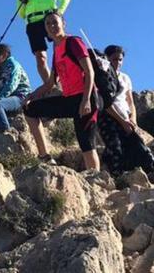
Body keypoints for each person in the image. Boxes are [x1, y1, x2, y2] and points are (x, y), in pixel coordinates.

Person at [22, 12, 100, 171]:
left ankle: (95, 179)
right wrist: (31, 96)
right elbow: (51, 83)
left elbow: (89, 71)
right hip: (69, 98)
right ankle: (45, 156)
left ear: (63, 23)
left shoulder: (73, 42)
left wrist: (86, 100)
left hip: (86, 96)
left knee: (86, 143)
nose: (51, 26)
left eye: (54, 22)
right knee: (30, 110)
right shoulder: (56, 49)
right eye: (48, 24)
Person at [98, 45, 154, 179]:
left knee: (140, 149)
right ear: (107, 59)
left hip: (126, 117)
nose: (117, 63)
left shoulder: (125, 78)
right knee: (116, 148)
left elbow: (130, 101)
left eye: (120, 59)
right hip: (108, 116)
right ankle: (118, 179)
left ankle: (149, 176)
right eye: (114, 59)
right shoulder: (101, 76)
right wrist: (122, 121)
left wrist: (133, 119)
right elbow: (106, 103)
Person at [16, 0, 71, 83]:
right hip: (32, 23)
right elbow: (21, 13)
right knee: (40, 57)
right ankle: (50, 86)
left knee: (61, 51)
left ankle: (67, 80)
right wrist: (24, 0)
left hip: (50, 19)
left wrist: (58, 13)